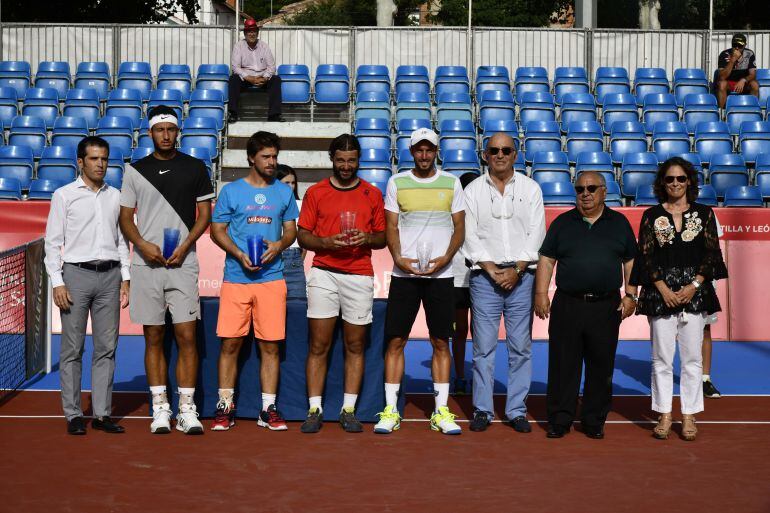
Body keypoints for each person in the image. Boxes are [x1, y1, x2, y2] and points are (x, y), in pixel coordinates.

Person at [119, 105, 215, 435]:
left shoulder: (195, 167)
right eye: (159, 130)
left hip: (183, 263)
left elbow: (204, 215)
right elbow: (125, 218)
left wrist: (185, 246)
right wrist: (143, 246)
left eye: (170, 129)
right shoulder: (134, 170)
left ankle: (187, 408)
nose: (165, 135)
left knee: (187, 336)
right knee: (154, 337)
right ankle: (160, 407)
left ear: (178, 132)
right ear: (150, 133)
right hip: (146, 264)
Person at [374, 127, 466, 435]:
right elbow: (390, 225)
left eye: (429, 150)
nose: (424, 155)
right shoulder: (397, 181)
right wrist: (398, 259)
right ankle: (390, 409)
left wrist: (445, 259)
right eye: (419, 150)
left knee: (441, 342)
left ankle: (441, 411)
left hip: (442, 276)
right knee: (396, 341)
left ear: (436, 152)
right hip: (405, 275)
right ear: (411, 152)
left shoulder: (452, 183)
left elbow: (459, 229)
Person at [630, 157, 727, 441]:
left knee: (692, 359)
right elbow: (645, 256)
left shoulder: (705, 213)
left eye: (680, 179)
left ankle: (688, 414)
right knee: (660, 358)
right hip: (660, 294)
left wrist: (693, 286)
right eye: (670, 179)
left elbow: (712, 255)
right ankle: (663, 413)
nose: (675, 184)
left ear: (689, 182)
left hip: (694, 294)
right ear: (663, 183)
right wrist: (662, 288)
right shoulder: (650, 215)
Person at [535, 172, 638, 440]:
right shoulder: (562, 223)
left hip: (605, 307)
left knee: (601, 366)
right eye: (580, 189)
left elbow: (630, 261)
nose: (585, 193)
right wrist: (541, 294)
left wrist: (631, 295)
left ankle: (594, 421)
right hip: (567, 304)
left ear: (604, 191)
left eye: (592, 188)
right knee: (562, 365)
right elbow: (546, 259)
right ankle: (560, 419)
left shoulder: (619, 223)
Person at [297, 134, 386, 433]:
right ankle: (314, 408)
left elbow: (383, 238)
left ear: (359, 161)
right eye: (340, 160)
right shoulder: (316, 192)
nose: (346, 166)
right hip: (324, 272)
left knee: (355, 345)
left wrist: (368, 238)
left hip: (360, 273)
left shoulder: (372, 194)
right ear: (331, 159)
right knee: (319, 345)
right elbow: (303, 236)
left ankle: (348, 409)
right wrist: (325, 242)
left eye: (352, 161)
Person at [209, 131, 298, 432]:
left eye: (274, 157)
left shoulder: (284, 193)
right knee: (230, 344)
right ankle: (224, 405)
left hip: (272, 279)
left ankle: (267, 408)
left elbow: (290, 231)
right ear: (251, 158)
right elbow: (217, 230)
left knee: (270, 346)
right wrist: (237, 252)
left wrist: (279, 246)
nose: (272, 162)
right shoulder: (232, 191)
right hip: (236, 278)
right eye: (266, 157)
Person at [44, 136, 130, 435]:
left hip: (110, 277)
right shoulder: (63, 195)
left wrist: (126, 277)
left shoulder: (116, 195)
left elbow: (121, 240)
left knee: (107, 348)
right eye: (94, 159)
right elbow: (53, 244)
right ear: (80, 162)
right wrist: (58, 282)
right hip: (75, 276)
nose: (100, 164)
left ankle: (103, 415)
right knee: (72, 348)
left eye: (104, 159)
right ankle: (73, 414)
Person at [463, 134, 546, 433]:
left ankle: (516, 410)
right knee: (483, 348)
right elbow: (468, 235)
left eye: (506, 150)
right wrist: (489, 267)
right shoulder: (472, 191)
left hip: (522, 278)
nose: (500, 155)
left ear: (515, 154)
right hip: (484, 279)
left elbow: (537, 233)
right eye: (494, 150)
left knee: (520, 347)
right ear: (485, 155)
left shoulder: (531, 189)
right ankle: (483, 409)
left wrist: (518, 268)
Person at [451, 172, 478, 396]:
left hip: (482, 278)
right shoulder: (453, 214)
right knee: (460, 331)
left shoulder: (485, 212)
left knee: (480, 333)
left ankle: (479, 377)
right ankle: (459, 376)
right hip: (458, 280)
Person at [228, 18, 282, 123]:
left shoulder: (264, 46)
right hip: (246, 79)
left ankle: (274, 115)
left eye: (254, 31)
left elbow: (271, 66)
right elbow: (235, 67)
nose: (251, 34)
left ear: (257, 33)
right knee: (233, 79)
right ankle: (233, 114)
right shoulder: (238, 46)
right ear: (245, 33)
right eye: (249, 31)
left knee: (276, 79)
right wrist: (249, 78)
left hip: (262, 78)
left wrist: (265, 78)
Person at [276, 164, 307, 299]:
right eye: (286, 182)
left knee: (297, 307)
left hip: (294, 260)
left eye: (293, 182)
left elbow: (304, 236)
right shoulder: (268, 205)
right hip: (273, 259)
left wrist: (298, 260)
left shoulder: (301, 205)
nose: (291, 186)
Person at [703, 215, 724, 399]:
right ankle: (664, 381)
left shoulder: (707, 213)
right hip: (672, 281)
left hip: (703, 281)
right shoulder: (662, 212)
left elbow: (713, 248)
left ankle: (704, 379)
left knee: (704, 330)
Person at [715, 33, 758, 109]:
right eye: (735, 45)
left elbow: (753, 74)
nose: (737, 48)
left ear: (745, 45)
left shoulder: (749, 54)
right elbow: (722, 77)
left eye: (740, 46)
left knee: (755, 84)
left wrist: (743, 80)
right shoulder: (724, 54)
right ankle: (721, 113)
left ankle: (752, 110)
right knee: (722, 84)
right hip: (729, 82)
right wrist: (732, 60)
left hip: (744, 83)